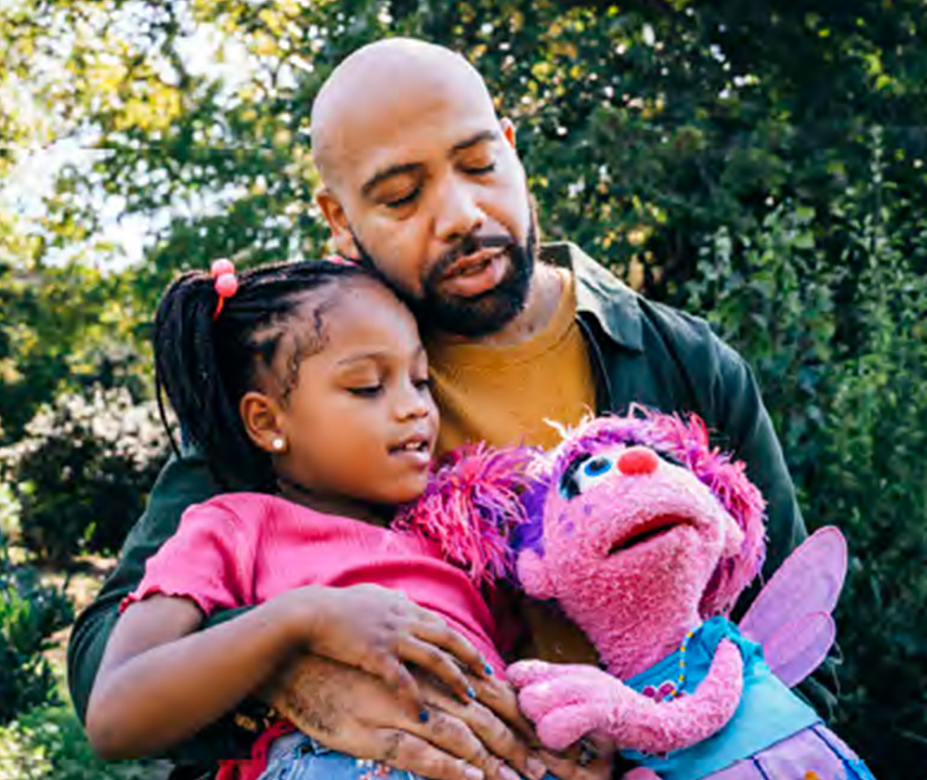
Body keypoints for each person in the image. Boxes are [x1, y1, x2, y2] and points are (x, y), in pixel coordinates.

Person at [68, 37, 811, 780]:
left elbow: (793, 636)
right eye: (400, 196)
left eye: (481, 164)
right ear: (339, 216)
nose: (460, 213)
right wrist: (289, 668)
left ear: (514, 150)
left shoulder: (681, 359)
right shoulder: (312, 370)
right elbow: (106, 657)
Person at [86, 256, 539, 780]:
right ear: (268, 421)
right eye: (368, 386)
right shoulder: (232, 528)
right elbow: (114, 715)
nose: (415, 407)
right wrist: (301, 620)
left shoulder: (453, 534)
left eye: (420, 380)